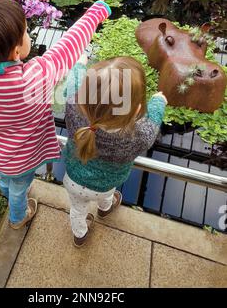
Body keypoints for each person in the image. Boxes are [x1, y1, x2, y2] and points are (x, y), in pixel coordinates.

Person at [0, 0, 111, 229]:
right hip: (23, 160)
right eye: (26, 32)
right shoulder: (33, 78)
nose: (28, 35)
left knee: (5, 180)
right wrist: (96, 12)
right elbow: (68, 47)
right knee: (19, 188)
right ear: (17, 51)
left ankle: (6, 189)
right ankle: (18, 216)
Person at [63, 56, 167, 246]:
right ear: (136, 111)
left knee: (77, 210)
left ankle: (79, 235)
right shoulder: (139, 136)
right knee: (107, 196)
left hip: (73, 182)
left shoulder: (72, 108)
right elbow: (152, 125)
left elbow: (72, 85)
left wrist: (78, 66)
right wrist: (158, 102)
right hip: (106, 185)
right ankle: (105, 208)